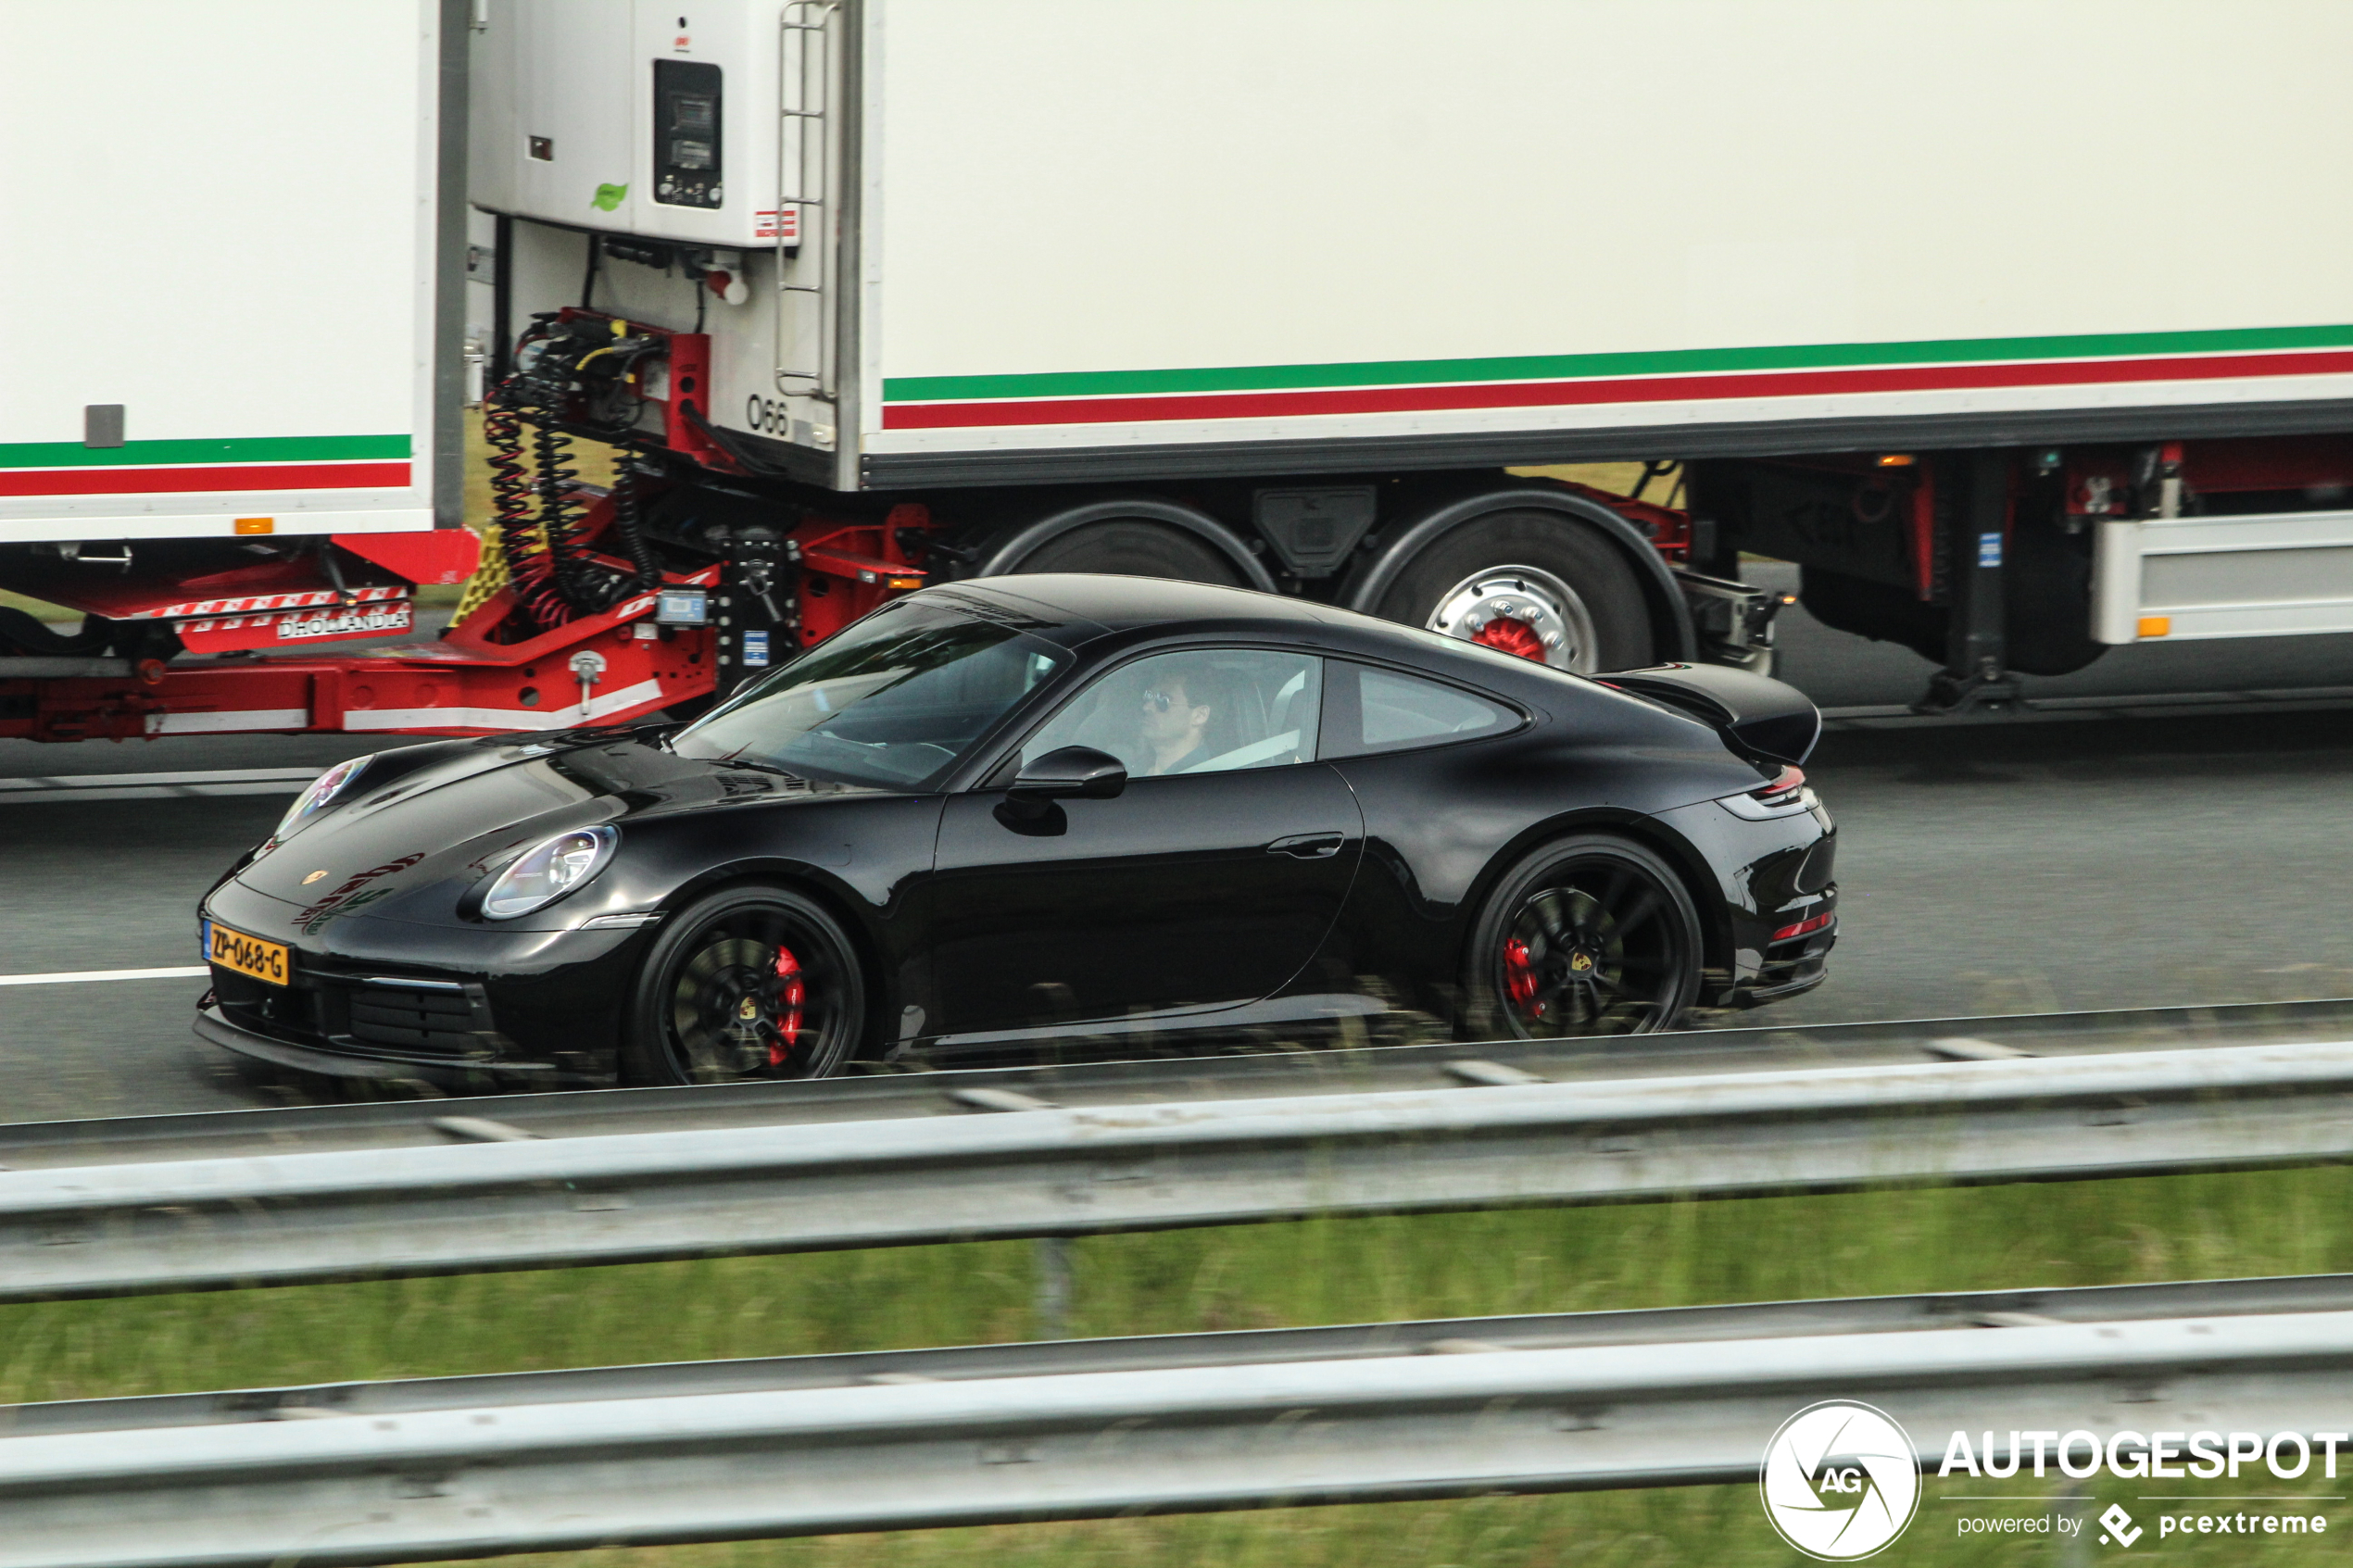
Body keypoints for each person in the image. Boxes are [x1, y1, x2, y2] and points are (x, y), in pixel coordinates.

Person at [1139, 670, 1221, 775]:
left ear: (1200, 715)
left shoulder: (1206, 778)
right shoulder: (1132, 768)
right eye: (1148, 696)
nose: (1147, 707)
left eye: (1163, 700)